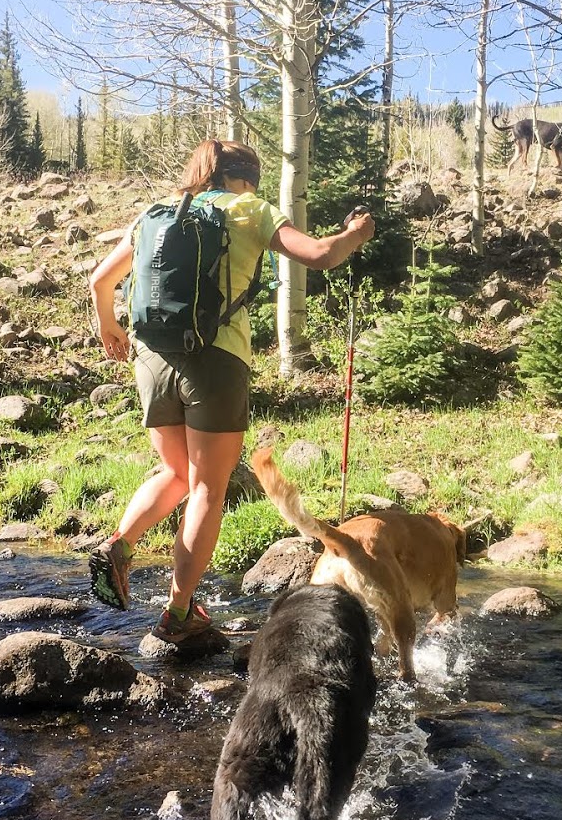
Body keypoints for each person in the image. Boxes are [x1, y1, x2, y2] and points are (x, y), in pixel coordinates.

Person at [86, 138, 374, 648]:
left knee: (176, 472)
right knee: (207, 489)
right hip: (216, 361)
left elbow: (99, 280)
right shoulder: (247, 209)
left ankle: (120, 544)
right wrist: (356, 231)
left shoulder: (155, 213)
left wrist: (110, 327)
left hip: (151, 360)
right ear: (246, 179)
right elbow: (322, 255)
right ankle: (179, 614)